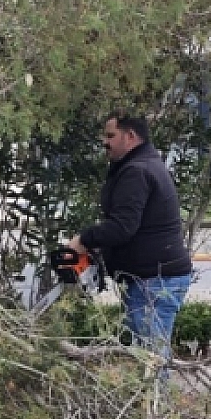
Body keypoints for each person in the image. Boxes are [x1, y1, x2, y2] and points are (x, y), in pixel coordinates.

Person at [67, 113, 194, 356]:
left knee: (150, 357)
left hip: (155, 281)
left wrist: (83, 241)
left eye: (111, 135)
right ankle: (151, 394)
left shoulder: (137, 170)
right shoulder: (142, 165)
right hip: (150, 278)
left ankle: (156, 395)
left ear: (131, 136)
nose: (105, 142)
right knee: (146, 354)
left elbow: (122, 226)